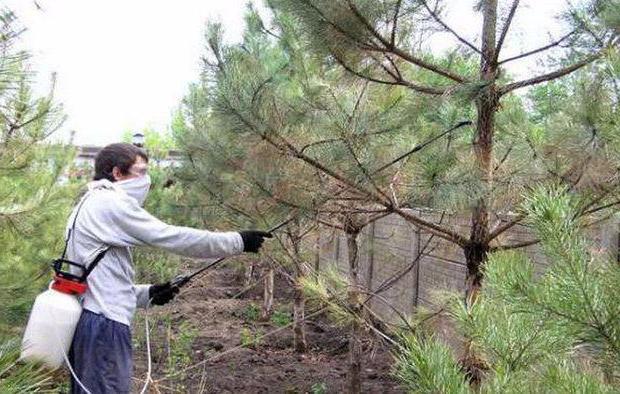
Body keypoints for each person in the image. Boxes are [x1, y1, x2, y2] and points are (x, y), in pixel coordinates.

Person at [66, 143, 271, 393]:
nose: (146, 180)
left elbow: (96, 279)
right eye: (140, 172)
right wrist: (238, 241)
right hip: (103, 326)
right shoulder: (110, 203)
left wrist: (146, 294)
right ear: (117, 173)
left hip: (92, 321)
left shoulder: (90, 202)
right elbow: (171, 237)